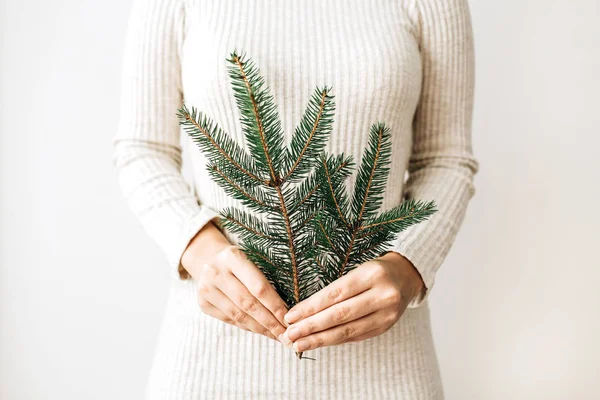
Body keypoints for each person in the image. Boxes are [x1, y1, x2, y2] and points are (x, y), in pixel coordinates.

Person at [113, 0, 479, 398]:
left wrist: (409, 265)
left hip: (385, 372)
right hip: (210, 368)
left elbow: (446, 159)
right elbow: (143, 149)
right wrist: (199, 249)